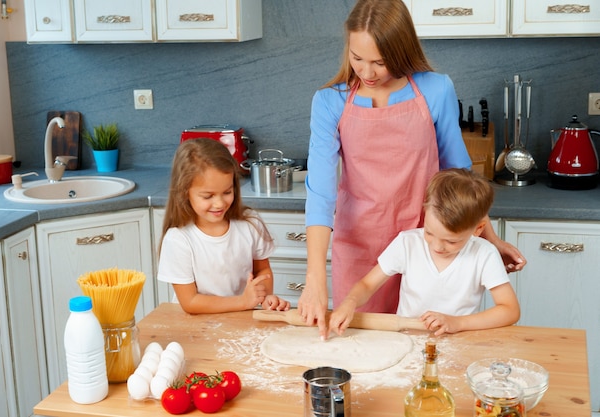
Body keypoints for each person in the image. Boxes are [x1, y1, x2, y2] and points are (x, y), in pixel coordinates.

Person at [300, 0, 526, 337]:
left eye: (380, 61)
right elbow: (320, 192)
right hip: (360, 244)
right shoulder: (329, 101)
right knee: (364, 342)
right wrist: (314, 277)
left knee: (427, 340)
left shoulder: (435, 89)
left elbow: (458, 174)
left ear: (402, 51)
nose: (367, 73)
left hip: (429, 240)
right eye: (357, 58)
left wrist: (489, 238)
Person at [328, 168, 521, 339]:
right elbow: (367, 284)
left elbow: (510, 310)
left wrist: (457, 323)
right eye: (429, 232)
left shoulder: (484, 255)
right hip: (405, 342)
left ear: (478, 229)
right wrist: (349, 303)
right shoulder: (408, 243)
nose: (437, 246)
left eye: (451, 241)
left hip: (459, 344)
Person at [157, 138, 291, 314]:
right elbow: (190, 302)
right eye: (208, 196)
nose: (219, 203)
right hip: (195, 328)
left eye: (227, 192)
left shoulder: (250, 224)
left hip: (241, 320)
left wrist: (264, 298)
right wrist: (243, 302)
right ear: (184, 193)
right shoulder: (178, 239)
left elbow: (262, 270)